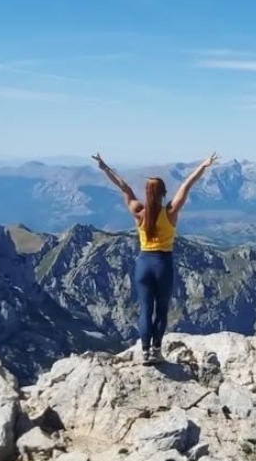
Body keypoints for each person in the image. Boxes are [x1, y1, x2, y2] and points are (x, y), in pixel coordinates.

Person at [92, 152, 220, 365]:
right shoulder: (170, 212)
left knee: (145, 309)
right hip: (163, 264)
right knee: (160, 311)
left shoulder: (138, 212)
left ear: (146, 193)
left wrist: (105, 168)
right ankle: (156, 351)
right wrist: (204, 166)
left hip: (143, 264)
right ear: (163, 193)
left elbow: (123, 187)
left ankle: (144, 352)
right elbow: (187, 185)